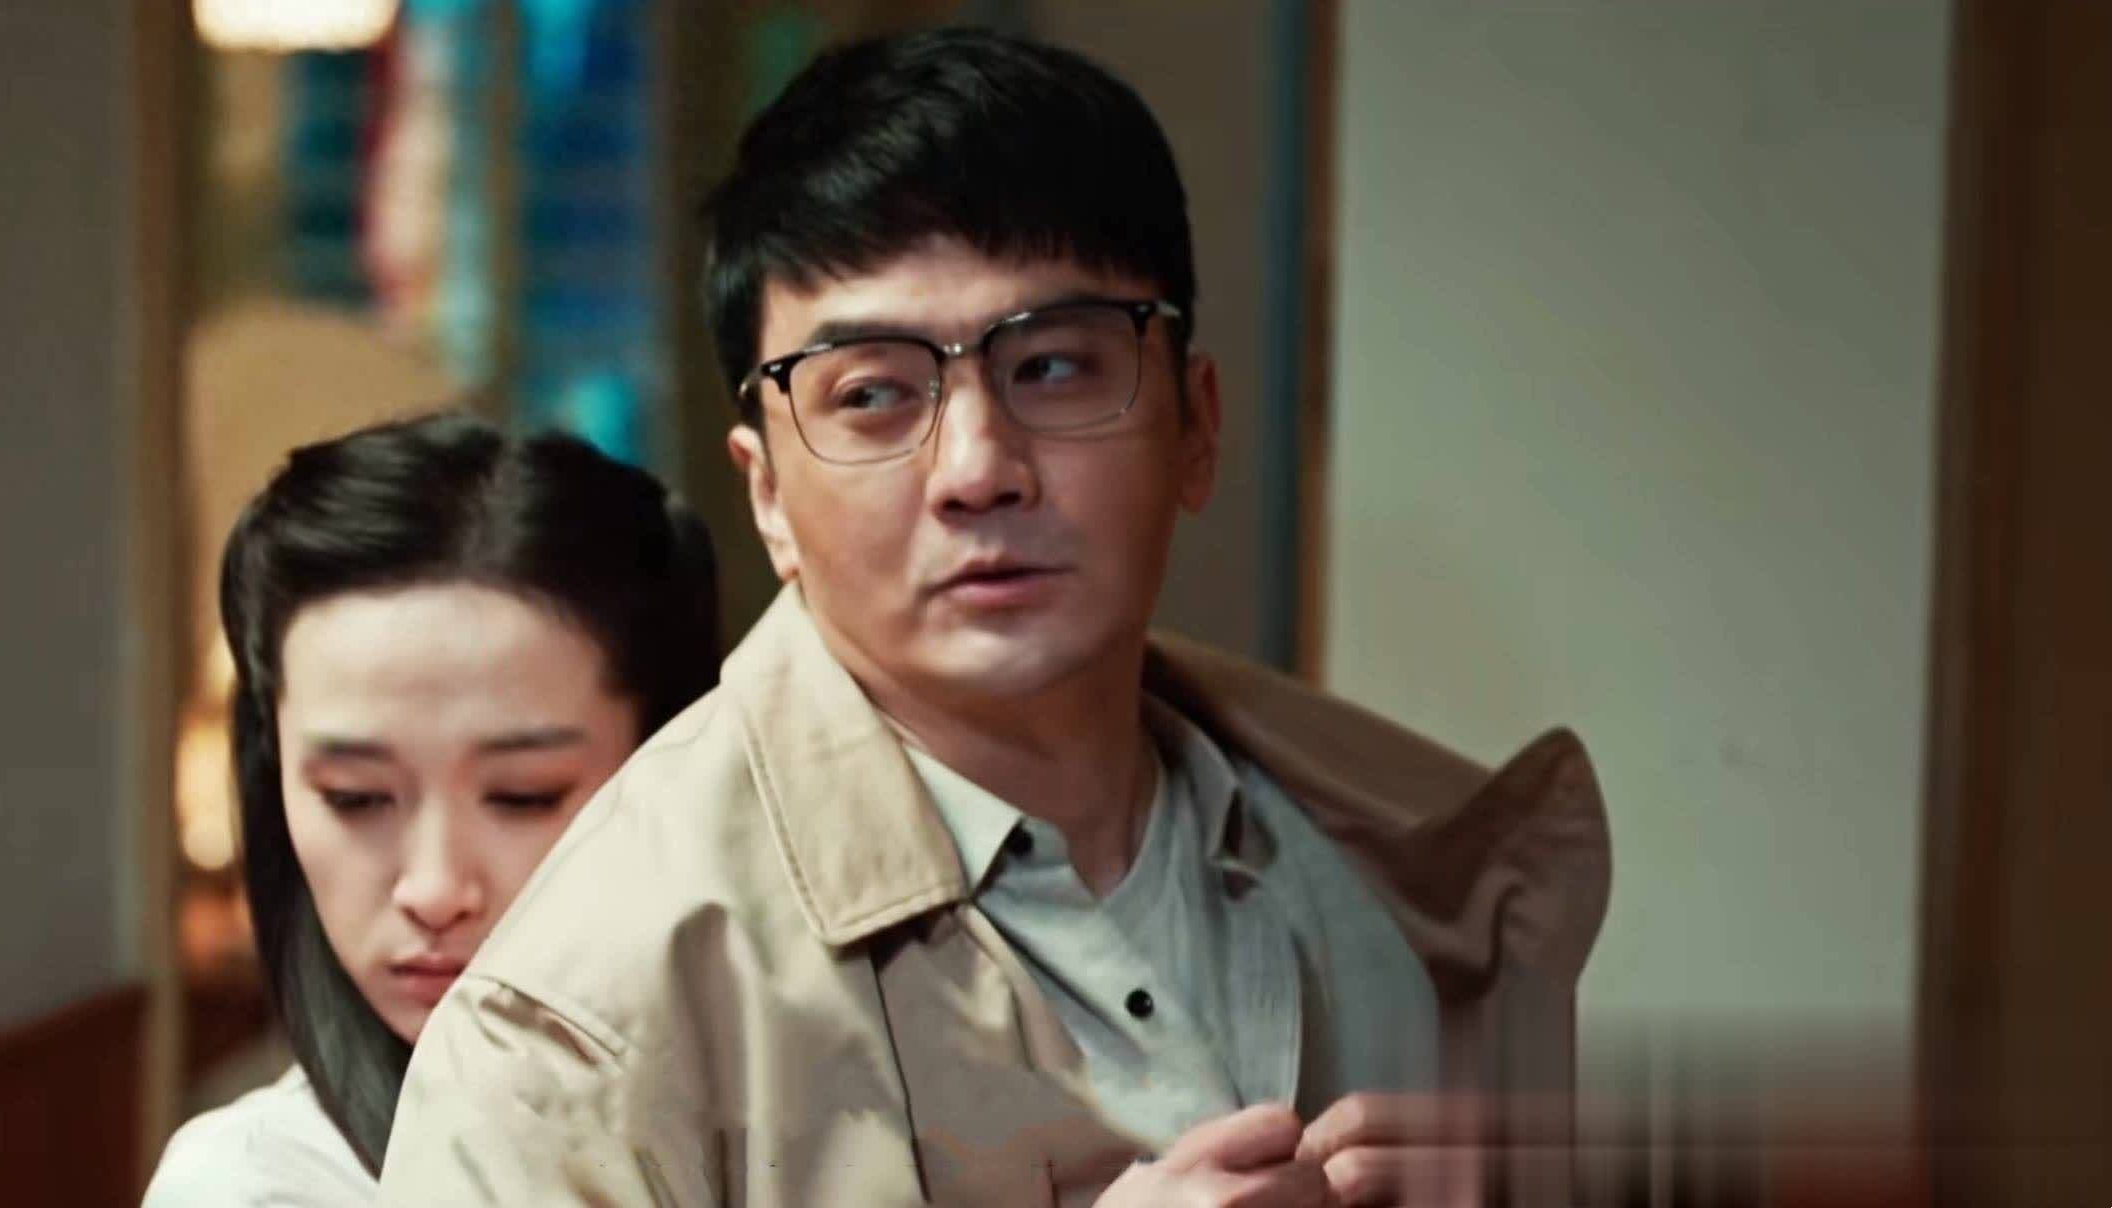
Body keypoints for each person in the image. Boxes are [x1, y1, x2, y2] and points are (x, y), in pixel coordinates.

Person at [379, 28, 1609, 1207]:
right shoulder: (581, 1026)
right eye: (873, 393)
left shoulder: (1401, 872)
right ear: (768, 495)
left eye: (1053, 367)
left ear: (1195, 425)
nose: (976, 467)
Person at [143, 414, 721, 1206]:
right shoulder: (253, 1186)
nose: (435, 889)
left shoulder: (804, 1091)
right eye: (354, 797)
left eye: (522, 795)